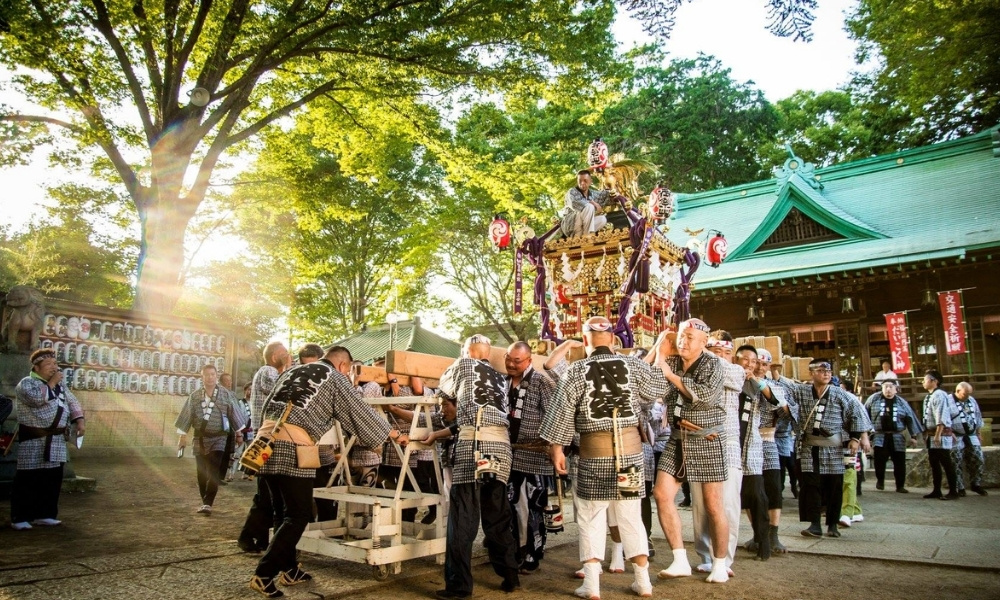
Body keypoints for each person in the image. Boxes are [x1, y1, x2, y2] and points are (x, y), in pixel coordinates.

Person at [249, 346, 406, 598]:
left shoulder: (292, 371)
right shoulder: (333, 378)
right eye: (349, 371)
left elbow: (265, 407)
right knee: (299, 515)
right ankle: (264, 574)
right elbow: (360, 412)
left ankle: (289, 569)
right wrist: (394, 434)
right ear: (343, 365)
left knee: (282, 512)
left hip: (265, 444)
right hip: (293, 450)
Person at [541, 317, 671, 599]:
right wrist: (661, 355)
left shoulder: (575, 371)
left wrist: (557, 449)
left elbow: (561, 413)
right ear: (613, 339)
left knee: (590, 516)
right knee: (630, 516)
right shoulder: (633, 365)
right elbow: (658, 389)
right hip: (630, 456)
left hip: (592, 455)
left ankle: (592, 584)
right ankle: (643, 582)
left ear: (585, 341)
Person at [436, 335, 520, 599]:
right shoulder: (500, 378)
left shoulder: (462, 365)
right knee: (497, 516)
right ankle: (510, 576)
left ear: (466, 352)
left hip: (473, 445)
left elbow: (445, 391)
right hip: (501, 447)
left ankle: (459, 586)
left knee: (463, 518)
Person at [653, 318, 730, 584]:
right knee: (661, 494)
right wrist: (660, 349)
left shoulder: (713, 363)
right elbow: (651, 384)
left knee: (713, 505)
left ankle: (719, 563)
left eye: (689, 337)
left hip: (706, 438)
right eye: (681, 337)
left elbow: (705, 397)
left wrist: (668, 372)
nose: (683, 342)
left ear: (703, 342)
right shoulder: (671, 360)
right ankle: (679, 559)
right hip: (677, 437)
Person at [793, 359, 871, 538]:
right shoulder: (801, 391)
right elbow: (783, 394)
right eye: (821, 370)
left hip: (833, 447)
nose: (826, 374)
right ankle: (814, 524)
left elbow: (857, 413)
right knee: (810, 485)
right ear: (811, 373)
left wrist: (855, 438)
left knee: (834, 485)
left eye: (828, 371)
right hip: (809, 447)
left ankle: (833, 524)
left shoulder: (840, 394)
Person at [10, 348, 85, 530]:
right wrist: (51, 383)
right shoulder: (26, 384)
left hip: (57, 439)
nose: (54, 367)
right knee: (28, 479)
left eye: (55, 364)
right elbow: (36, 399)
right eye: (49, 364)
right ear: (36, 367)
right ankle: (20, 517)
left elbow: (72, 401)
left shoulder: (61, 385)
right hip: (34, 438)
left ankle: (45, 514)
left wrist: (79, 420)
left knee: (52, 479)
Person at [503, 341, 556, 574]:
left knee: (535, 506)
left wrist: (556, 448)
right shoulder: (502, 382)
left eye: (517, 361)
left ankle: (534, 552)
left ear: (529, 360)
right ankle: (516, 549)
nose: (512, 365)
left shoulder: (541, 381)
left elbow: (555, 415)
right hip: (509, 452)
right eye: (509, 359)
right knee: (512, 504)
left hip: (535, 453)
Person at [238, 341, 292, 553]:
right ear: (273, 357)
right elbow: (281, 389)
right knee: (265, 494)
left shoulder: (271, 370)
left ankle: (260, 538)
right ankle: (248, 536)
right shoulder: (267, 371)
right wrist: (289, 367)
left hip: (269, 439)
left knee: (270, 494)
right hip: (264, 440)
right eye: (283, 353)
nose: (288, 355)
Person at [176, 364, 244, 515]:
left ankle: (208, 503)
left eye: (212, 374)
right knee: (202, 473)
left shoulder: (225, 395)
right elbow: (186, 416)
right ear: (202, 377)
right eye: (207, 375)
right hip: (199, 438)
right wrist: (182, 436)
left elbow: (234, 413)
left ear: (216, 376)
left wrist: (239, 433)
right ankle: (204, 501)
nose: (210, 377)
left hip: (219, 438)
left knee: (213, 470)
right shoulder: (194, 396)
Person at [700, 330, 743, 572]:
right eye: (718, 352)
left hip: (727, 445)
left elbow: (726, 374)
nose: (723, 357)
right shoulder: (699, 371)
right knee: (700, 507)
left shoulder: (734, 370)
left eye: (728, 353)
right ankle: (705, 556)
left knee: (727, 505)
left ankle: (724, 558)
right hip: (700, 442)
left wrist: (705, 352)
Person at [754, 349, 797, 554]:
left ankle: (773, 533)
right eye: (757, 363)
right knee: (750, 490)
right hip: (743, 440)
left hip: (768, 439)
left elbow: (784, 411)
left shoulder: (776, 387)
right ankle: (757, 533)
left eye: (765, 365)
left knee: (773, 486)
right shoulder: (740, 383)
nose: (760, 368)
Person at [865, 381, 921, 493]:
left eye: (891, 387)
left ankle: (900, 485)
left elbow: (910, 418)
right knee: (879, 460)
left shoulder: (901, 402)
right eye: (886, 387)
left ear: (896, 389)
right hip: (879, 435)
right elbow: (864, 414)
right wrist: (865, 435)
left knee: (899, 461)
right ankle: (880, 480)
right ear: (882, 388)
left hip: (897, 436)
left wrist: (913, 436)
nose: (888, 389)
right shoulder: (873, 399)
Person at [921, 370, 959, 500]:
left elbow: (941, 414)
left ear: (934, 381)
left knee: (946, 462)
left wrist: (938, 434)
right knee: (934, 463)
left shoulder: (940, 395)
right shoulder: (929, 396)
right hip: (932, 433)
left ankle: (954, 491)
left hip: (940, 433)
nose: (923, 382)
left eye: (925, 380)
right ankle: (936, 489)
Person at [768, 361, 799, 499]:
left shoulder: (790, 389)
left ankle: (794, 486)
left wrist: (776, 374)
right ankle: (778, 493)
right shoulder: (765, 385)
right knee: (778, 466)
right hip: (771, 436)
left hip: (786, 436)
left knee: (791, 466)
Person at [950, 382, 987, 496]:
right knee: (956, 461)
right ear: (958, 391)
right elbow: (943, 416)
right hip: (956, 435)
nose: (967, 396)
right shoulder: (948, 400)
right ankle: (960, 487)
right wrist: (947, 431)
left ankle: (976, 484)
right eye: (965, 394)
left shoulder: (971, 400)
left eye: (969, 394)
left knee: (978, 458)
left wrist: (978, 432)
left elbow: (977, 414)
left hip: (971, 434)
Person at [560, 170, 613, 238]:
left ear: (590, 181)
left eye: (585, 180)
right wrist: (594, 203)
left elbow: (604, 195)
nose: (582, 183)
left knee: (602, 219)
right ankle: (587, 237)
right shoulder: (572, 192)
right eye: (580, 181)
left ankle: (583, 236)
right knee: (589, 207)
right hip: (571, 225)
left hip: (583, 228)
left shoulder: (592, 194)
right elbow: (576, 204)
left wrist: (613, 193)